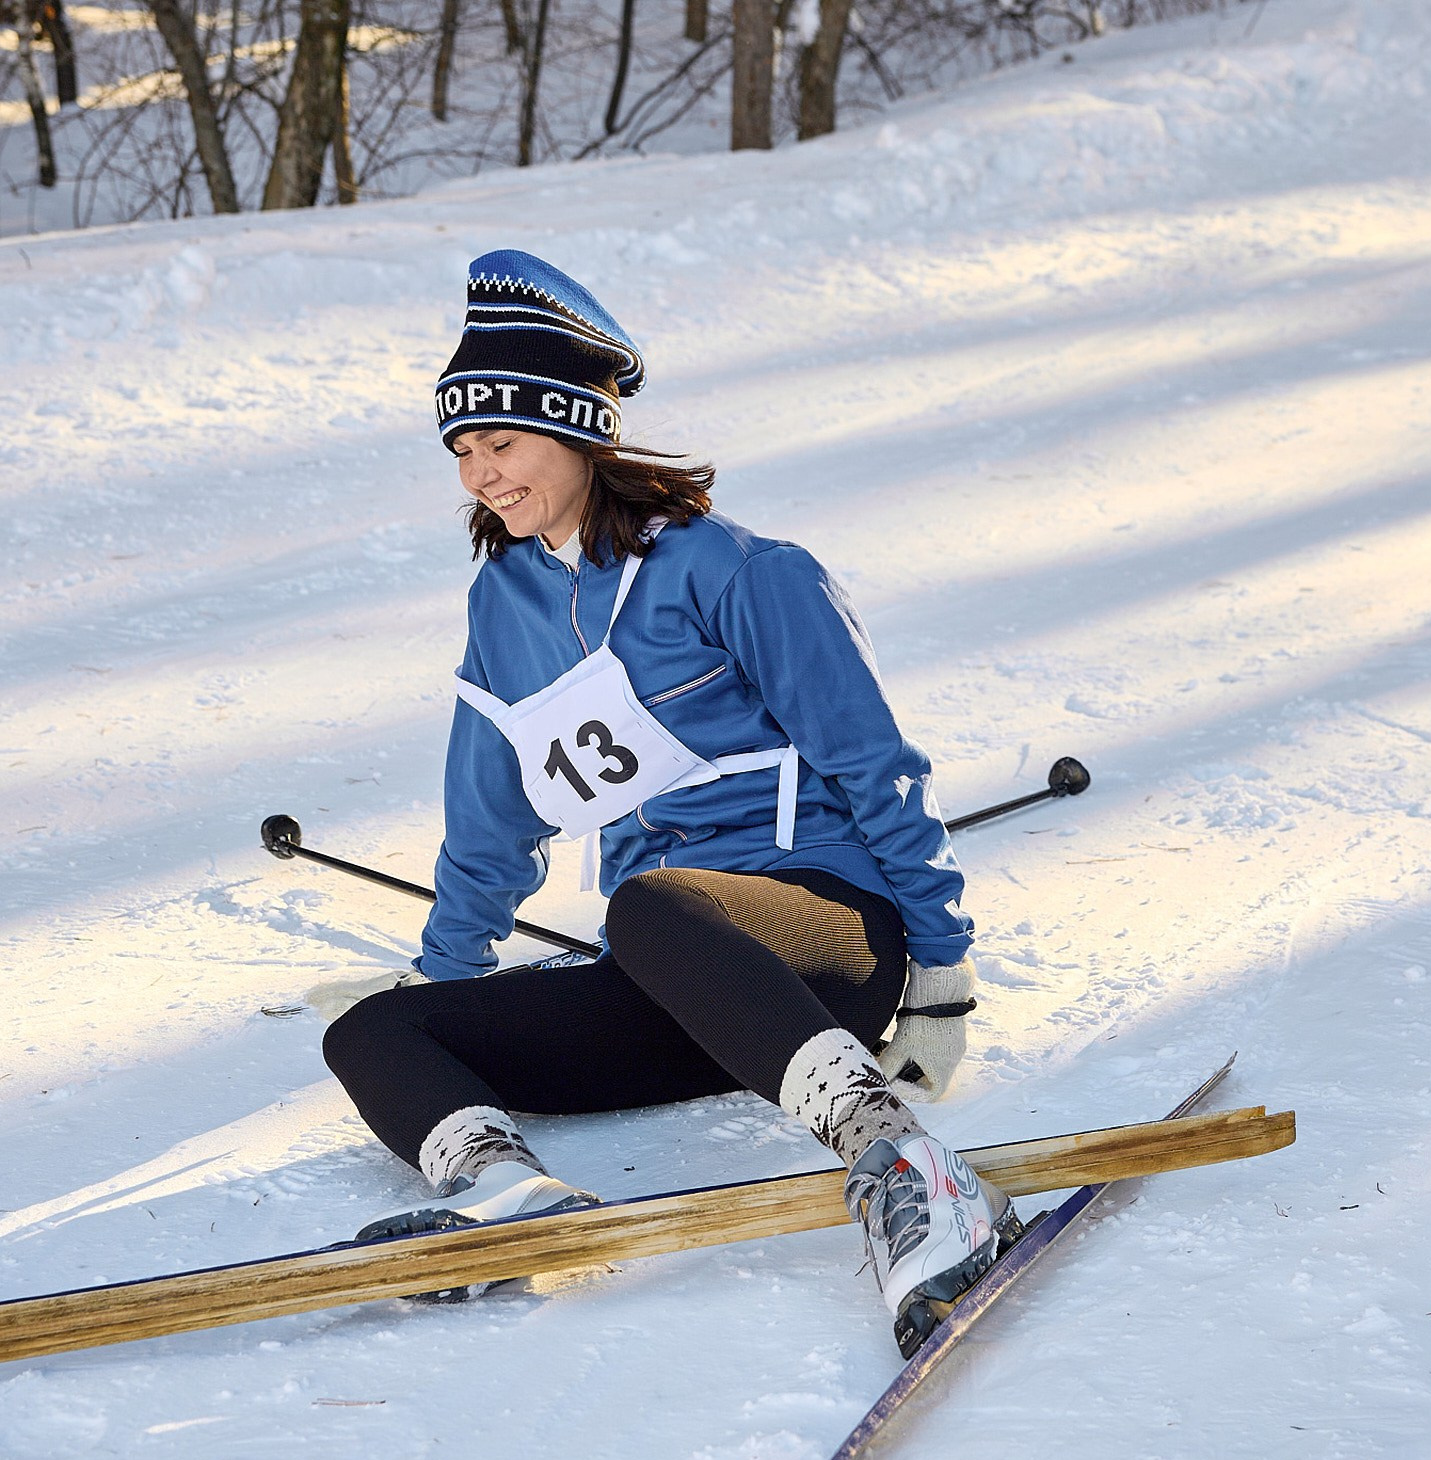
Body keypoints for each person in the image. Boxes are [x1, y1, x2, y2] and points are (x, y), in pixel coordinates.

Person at [316, 251, 1013, 1354]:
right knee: (372, 1029)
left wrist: (939, 967)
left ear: (577, 430)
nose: (478, 475)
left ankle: (905, 1164)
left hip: (819, 937)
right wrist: (449, 988)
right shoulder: (504, 604)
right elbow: (489, 814)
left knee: (650, 903)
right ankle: (511, 1199)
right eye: (459, 450)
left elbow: (873, 764)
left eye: (500, 442)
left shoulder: (739, 570)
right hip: (685, 985)